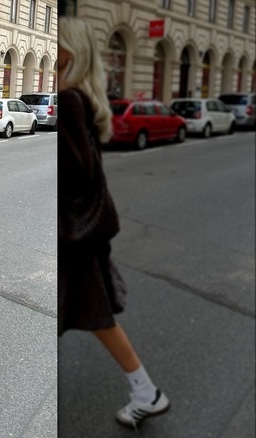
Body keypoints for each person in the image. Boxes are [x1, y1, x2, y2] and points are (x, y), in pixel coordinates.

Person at [57, 16, 170, 429]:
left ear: (71, 52)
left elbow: (74, 173)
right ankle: (145, 391)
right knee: (92, 313)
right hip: (79, 235)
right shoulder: (79, 95)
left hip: (71, 238)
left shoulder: (69, 98)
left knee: (94, 313)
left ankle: (146, 391)